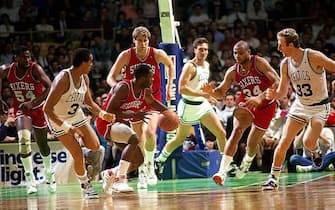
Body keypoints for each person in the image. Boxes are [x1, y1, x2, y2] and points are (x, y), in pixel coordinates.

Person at [261, 28, 335, 190]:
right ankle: (273, 177)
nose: (278, 48)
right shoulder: (285, 64)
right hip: (300, 105)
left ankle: (315, 151)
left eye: (281, 45)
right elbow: (282, 91)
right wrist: (273, 94)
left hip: (319, 106)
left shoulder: (313, 56)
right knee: (285, 141)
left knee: (308, 142)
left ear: (292, 45)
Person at [202, 40, 280, 186]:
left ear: (249, 52)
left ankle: (247, 162)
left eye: (241, 53)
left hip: (266, 104)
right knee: (236, 131)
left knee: (252, 144)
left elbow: (277, 82)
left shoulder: (259, 63)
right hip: (247, 101)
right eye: (235, 53)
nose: (237, 56)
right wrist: (210, 93)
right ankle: (222, 172)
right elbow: (220, 92)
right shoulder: (232, 71)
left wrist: (260, 97)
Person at [106, 26, 174, 188]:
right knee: (139, 137)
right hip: (134, 101)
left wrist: (169, 85)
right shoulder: (126, 55)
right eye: (140, 41)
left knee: (150, 131)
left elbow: (170, 65)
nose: (143, 44)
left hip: (152, 98)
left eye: (145, 41)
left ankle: (150, 166)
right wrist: (117, 88)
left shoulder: (157, 54)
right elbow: (110, 77)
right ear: (134, 41)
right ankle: (143, 169)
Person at [43, 48, 114, 199]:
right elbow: (47, 108)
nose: (92, 65)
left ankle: (85, 157)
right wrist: (66, 127)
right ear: (83, 63)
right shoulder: (63, 79)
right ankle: (85, 186)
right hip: (58, 119)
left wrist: (103, 114)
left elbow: (88, 102)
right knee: (76, 154)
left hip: (76, 115)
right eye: (90, 61)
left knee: (95, 146)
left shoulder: (85, 78)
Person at [154, 37, 227, 178]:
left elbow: (202, 88)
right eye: (201, 50)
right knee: (179, 139)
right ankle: (160, 160)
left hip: (202, 105)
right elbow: (182, 89)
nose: (204, 52)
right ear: (194, 50)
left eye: (206, 49)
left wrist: (208, 96)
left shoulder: (206, 65)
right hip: (189, 107)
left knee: (221, 134)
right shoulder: (189, 66)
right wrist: (203, 94)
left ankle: (225, 167)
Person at [98, 63, 172, 193]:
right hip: (106, 124)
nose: (152, 80)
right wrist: (133, 114)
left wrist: (168, 112)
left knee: (138, 160)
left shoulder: (145, 91)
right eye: (150, 77)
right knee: (134, 139)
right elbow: (109, 111)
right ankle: (121, 179)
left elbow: (153, 103)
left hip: (119, 125)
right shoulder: (124, 87)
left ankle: (110, 173)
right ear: (142, 78)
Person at [0, 46, 56, 194]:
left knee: (43, 145)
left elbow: (50, 86)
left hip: (37, 108)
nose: (28, 59)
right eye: (24, 57)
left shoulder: (35, 68)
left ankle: (50, 174)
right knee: (23, 141)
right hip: (21, 110)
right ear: (16, 58)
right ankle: (30, 181)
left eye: (29, 57)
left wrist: (33, 102)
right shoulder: (7, 70)